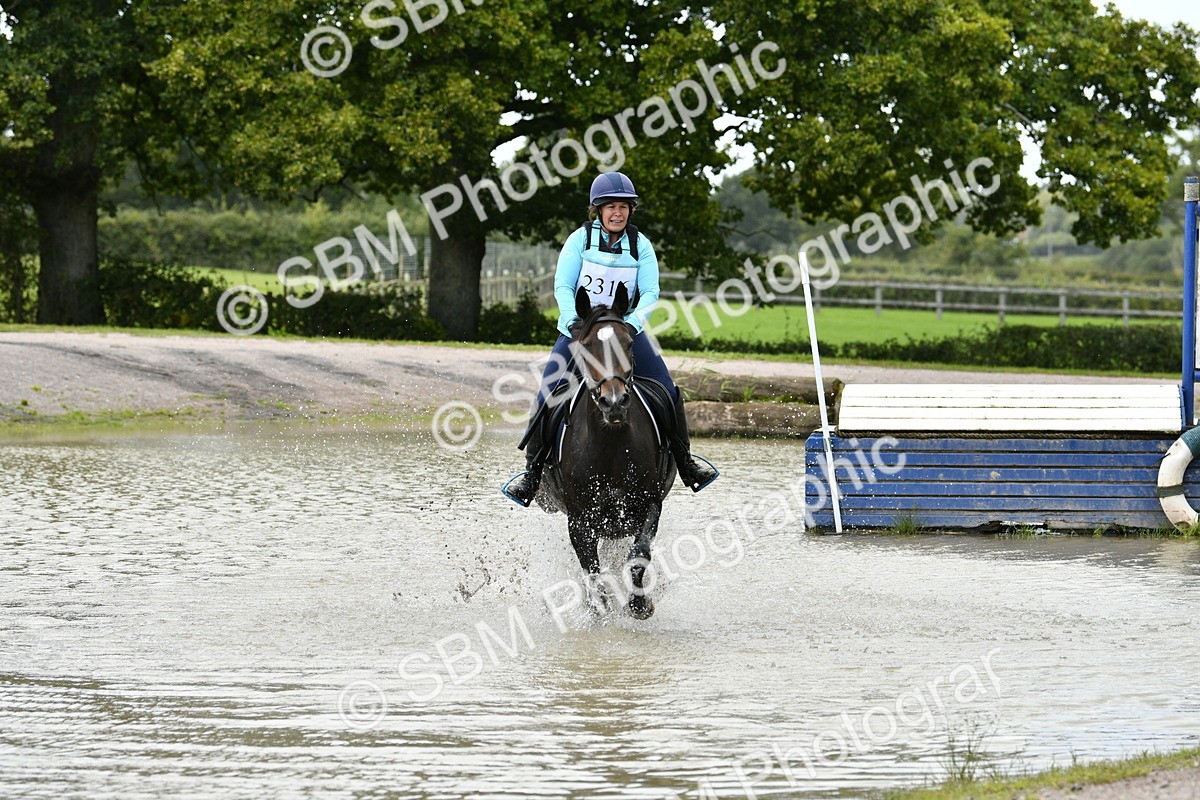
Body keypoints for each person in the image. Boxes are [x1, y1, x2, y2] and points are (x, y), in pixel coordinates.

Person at [502, 171, 718, 506]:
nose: (617, 213)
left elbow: (650, 291)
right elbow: (562, 285)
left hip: (625, 330)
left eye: (623, 207)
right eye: (610, 207)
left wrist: (631, 324)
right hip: (579, 331)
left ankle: (686, 463)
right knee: (546, 396)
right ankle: (532, 475)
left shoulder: (640, 245)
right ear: (598, 210)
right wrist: (576, 323)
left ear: (631, 210)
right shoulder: (579, 240)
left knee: (670, 392)